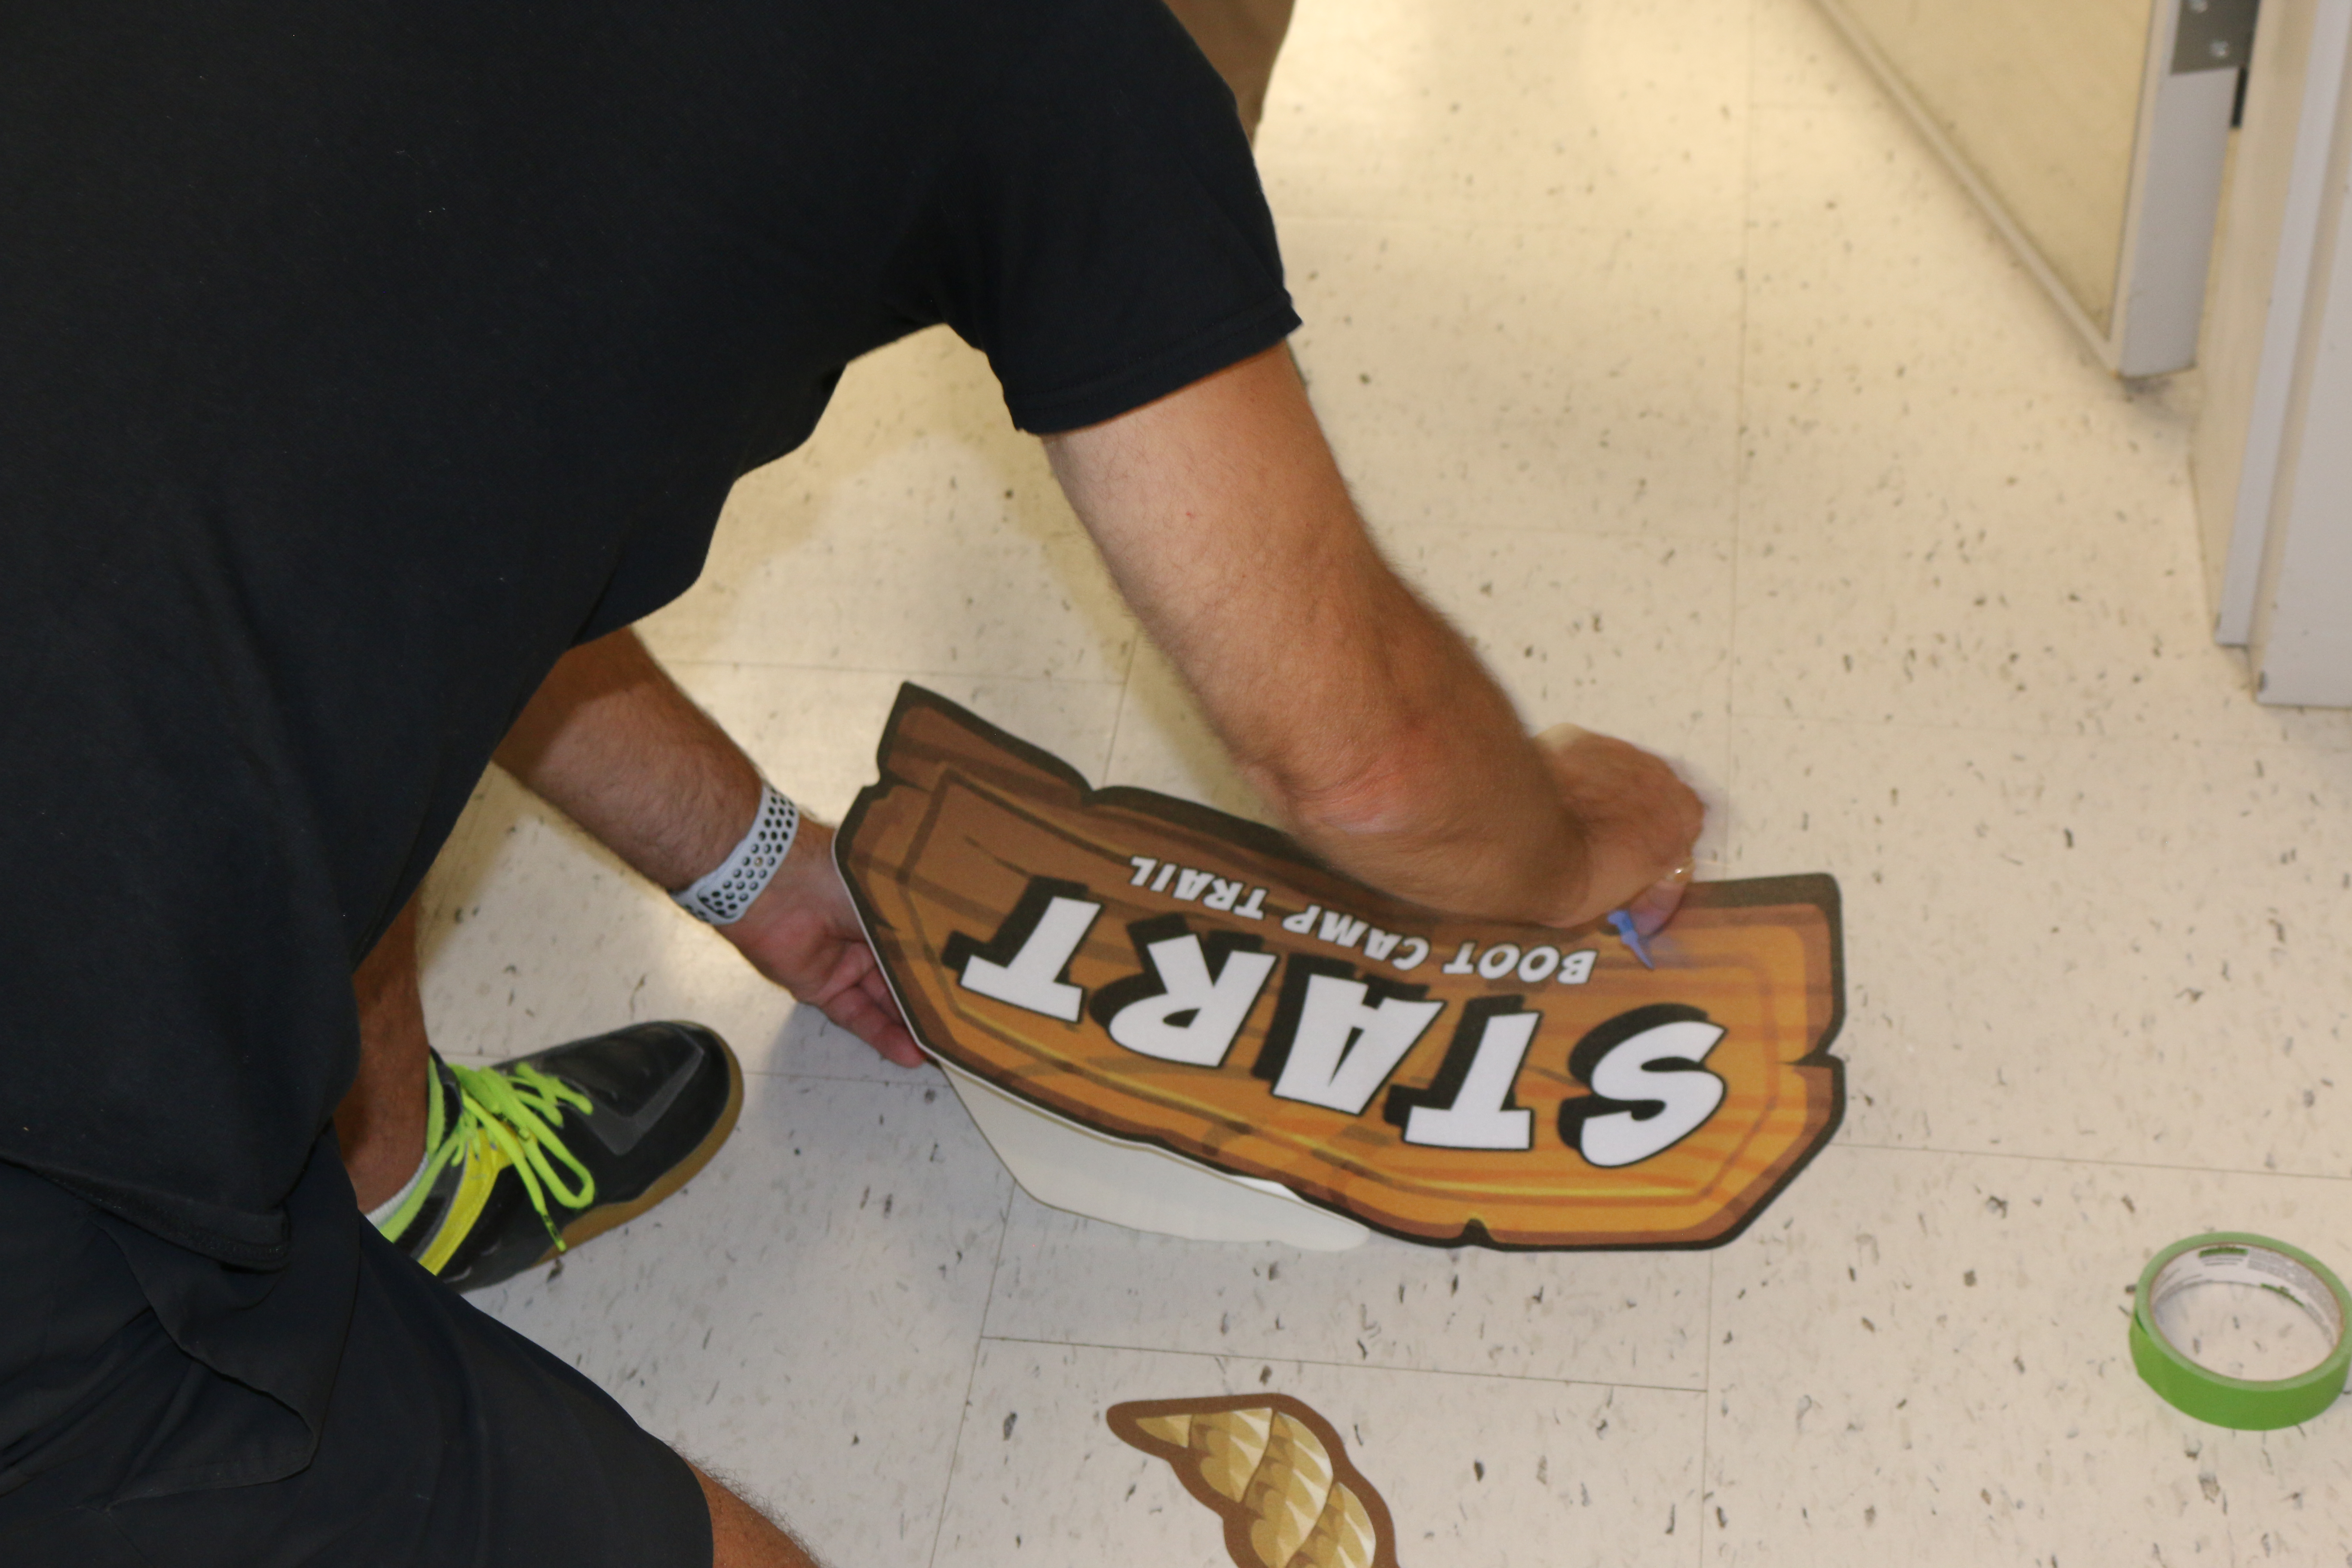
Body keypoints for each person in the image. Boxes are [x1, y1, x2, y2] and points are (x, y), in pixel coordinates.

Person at [0, 3, 1701, 1567]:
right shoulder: (1072, 56)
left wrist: (762, 873)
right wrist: (1566, 850)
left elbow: (406, 511)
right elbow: (1373, 761)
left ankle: (393, 1183)